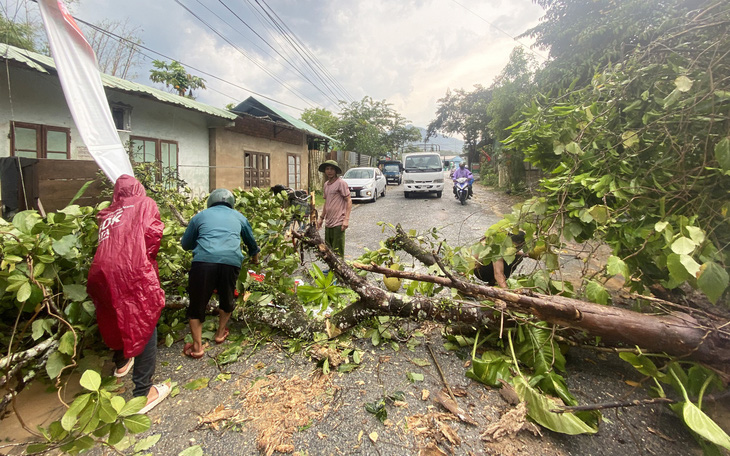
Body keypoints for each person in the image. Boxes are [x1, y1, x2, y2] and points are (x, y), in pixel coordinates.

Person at [87, 174, 170, 414]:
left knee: (113, 315)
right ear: (138, 189)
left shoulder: (107, 212)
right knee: (146, 320)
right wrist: (146, 262)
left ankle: (121, 363)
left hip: (100, 271)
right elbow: (153, 236)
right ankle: (142, 394)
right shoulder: (146, 204)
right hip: (131, 269)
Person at [181, 188, 260, 358]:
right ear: (231, 203)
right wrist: (255, 258)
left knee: (197, 303)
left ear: (210, 202)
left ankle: (197, 347)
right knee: (227, 297)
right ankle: (219, 333)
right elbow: (251, 242)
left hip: (203, 263)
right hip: (230, 262)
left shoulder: (200, 216)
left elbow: (185, 244)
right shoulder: (239, 216)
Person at [316, 160, 352, 257]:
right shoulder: (326, 184)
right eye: (327, 169)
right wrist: (321, 218)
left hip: (338, 222)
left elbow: (348, 200)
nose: (329, 171)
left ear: (336, 171)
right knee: (329, 249)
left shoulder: (341, 183)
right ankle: (331, 270)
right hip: (329, 222)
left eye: (332, 169)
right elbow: (326, 202)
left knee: (338, 250)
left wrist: (346, 220)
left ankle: (340, 271)